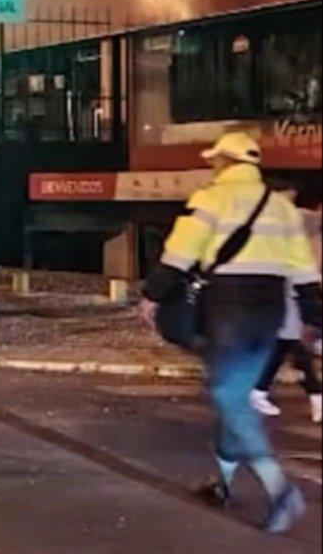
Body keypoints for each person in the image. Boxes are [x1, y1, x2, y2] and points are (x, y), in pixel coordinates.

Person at [139, 132, 321, 533]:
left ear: (225, 162)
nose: (212, 166)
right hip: (271, 311)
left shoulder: (211, 199)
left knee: (228, 395)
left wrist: (152, 295)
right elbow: (303, 269)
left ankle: (279, 490)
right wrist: (313, 317)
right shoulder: (281, 207)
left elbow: (180, 253)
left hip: (228, 309)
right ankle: (222, 482)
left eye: (215, 160)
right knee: (234, 393)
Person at [249, 180, 322, 424]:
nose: (289, 203)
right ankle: (316, 394)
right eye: (286, 198)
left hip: (291, 288)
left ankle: (259, 390)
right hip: (284, 289)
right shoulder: (279, 220)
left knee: (285, 343)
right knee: (293, 341)